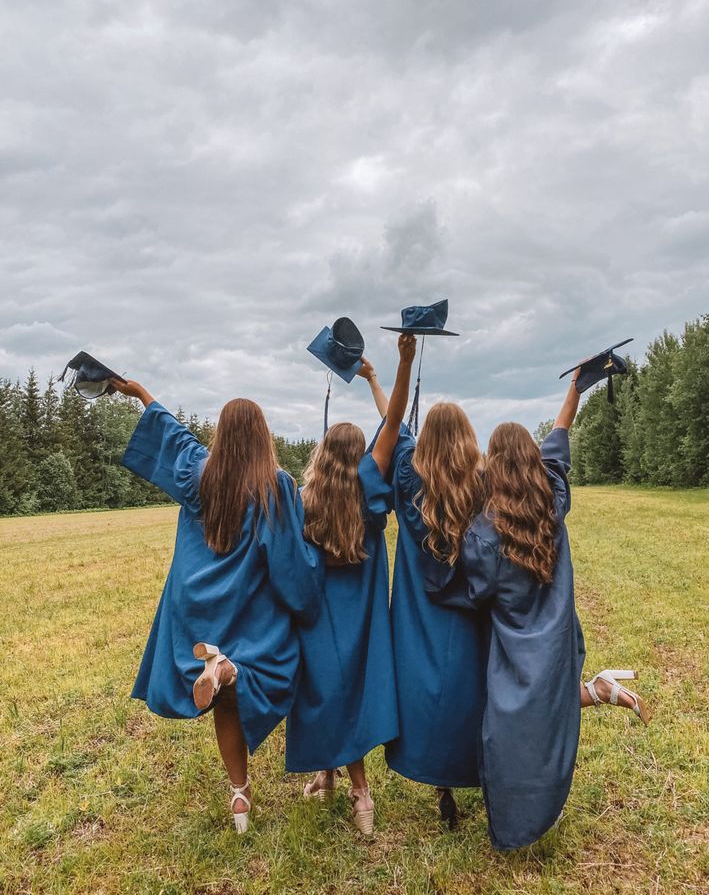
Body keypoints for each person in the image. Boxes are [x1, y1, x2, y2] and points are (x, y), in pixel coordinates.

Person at [425, 372, 650, 850]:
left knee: (504, 735)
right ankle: (598, 691)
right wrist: (576, 389)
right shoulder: (552, 502)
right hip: (557, 637)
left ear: (493, 465)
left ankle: (513, 827)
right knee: (545, 715)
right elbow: (557, 443)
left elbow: (474, 592)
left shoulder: (483, 535)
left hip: (513, 643)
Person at [110, 378, 323, 834]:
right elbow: (287, 560)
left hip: (200, 608)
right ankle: (230, 669)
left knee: (226, 702)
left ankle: (240, 795)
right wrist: (311, 584)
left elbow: (175, 436)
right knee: (280, 668)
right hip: (249, 608)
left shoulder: (200, 473)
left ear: (222, 435)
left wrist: (141, 394)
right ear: (263, 435)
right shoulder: (276, 484)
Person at [286, 335, 416, 836]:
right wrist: (392, 370)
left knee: (322, 692)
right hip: (361, 620)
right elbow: (396, 421)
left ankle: (357, 789)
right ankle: (338, 782)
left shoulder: (305, 498)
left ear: (322, 454)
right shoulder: (367, 481)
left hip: (319, 618)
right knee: (349, 696)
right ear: (359, 454)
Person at [384, 398, 489, 828]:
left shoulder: (411, 477)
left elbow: (393, 427)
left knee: (426, 687)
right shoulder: (482, 481)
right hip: (471, 605)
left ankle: (440, 783)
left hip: (421, 607)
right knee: (471, 687)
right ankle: (476, 768)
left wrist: (380, 380)